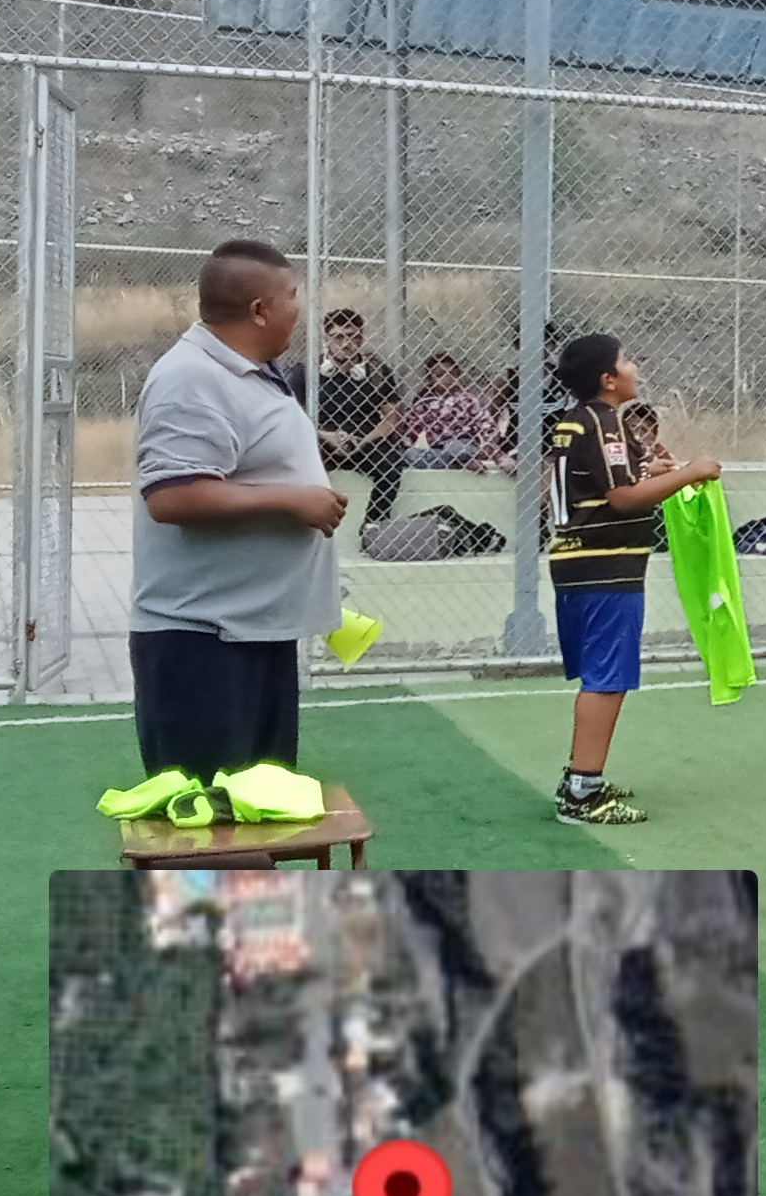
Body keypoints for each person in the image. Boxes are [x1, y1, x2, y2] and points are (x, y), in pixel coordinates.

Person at [121, 243, 345, 792]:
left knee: (256, 815)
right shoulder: (191, 378)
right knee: (207, 824)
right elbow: (173, 496)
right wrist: (292, 500)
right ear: (259, 310)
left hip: (250, 632)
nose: (300, 310)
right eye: (292, 297)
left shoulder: (249, 371)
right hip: (204, 643)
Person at [542, 332, 719, 827]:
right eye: (627, 360)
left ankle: (579, 777)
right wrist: (690, 473)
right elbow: (622, 499)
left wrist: (648, 472)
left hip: (577, 564)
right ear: (608, 378)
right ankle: (583, 791)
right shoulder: (605, 422)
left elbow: (605, 484)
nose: (635, 367)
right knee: (606, 680)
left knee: (602, 677)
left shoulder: (575, 421)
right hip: (604, 568)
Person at [311, 309, 408, 523]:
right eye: (338, 337)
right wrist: (326, 436)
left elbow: (391, 418)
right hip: (325, 441)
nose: (346, 344)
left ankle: (374, 525)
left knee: (390, 465)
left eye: (352, 336)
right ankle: (314, 520)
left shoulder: (377, 371)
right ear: (326, 339)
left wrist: (362, 442)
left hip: (365, 441)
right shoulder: (308, 371)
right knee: (303, 461)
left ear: (361, 338)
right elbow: (293, 418)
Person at [394, 351, 496, 471]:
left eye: (451, 374)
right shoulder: (424, 402)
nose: (446, 379)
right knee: (411, 455)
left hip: (462, 443)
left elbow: (485, 422)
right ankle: (458, 463)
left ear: (458, 376)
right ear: (430, 379)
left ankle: (458, 460)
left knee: (456, 449)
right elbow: (411, 429)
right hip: (438, 450)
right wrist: (406, 446)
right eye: (439, 375)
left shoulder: (466, 399)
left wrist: (490, 446)